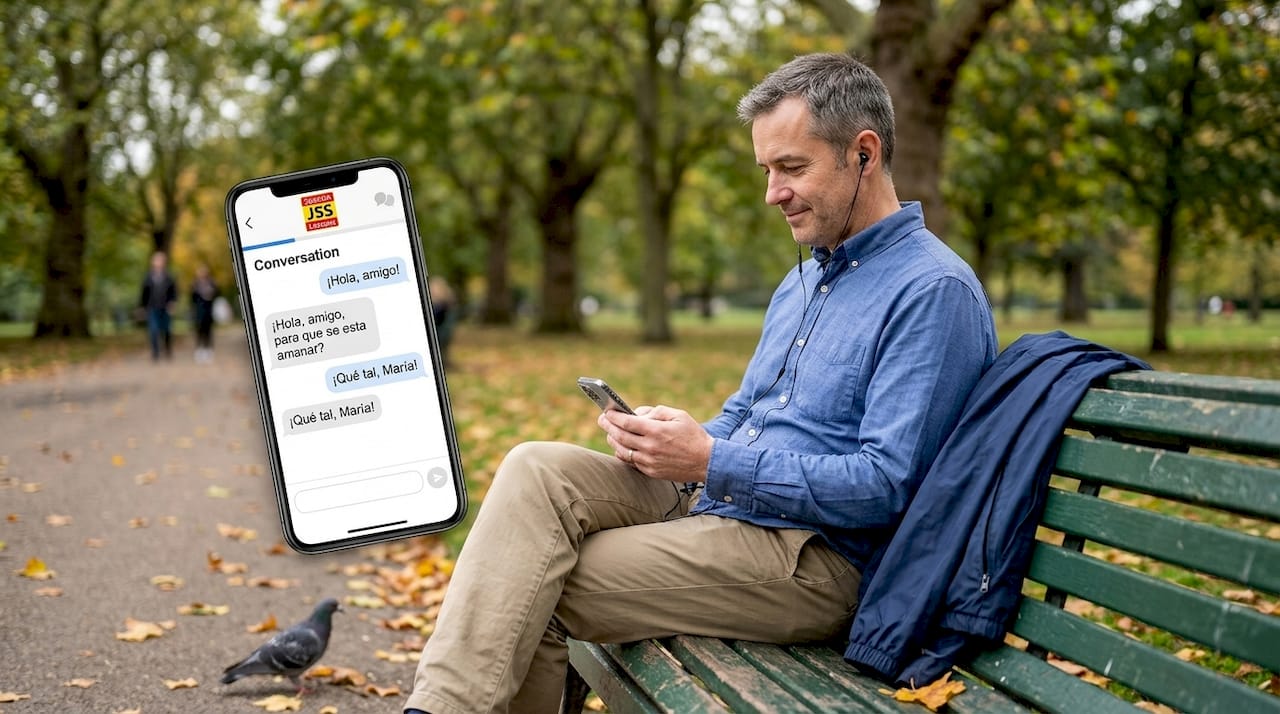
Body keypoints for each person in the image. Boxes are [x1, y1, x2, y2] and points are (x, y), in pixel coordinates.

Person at [404, 53, 997, 714]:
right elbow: (749, 410)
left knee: (527, 582)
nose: (773, 192)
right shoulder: (803, 280)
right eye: (767, 170)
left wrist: (713, 460)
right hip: (724, 510)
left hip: (816, 561)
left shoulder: (931, 292)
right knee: (535, 469)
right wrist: (678, 440)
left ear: (863, 153)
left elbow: (888, 487)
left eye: (792, 168)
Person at [139, 250, 177, 362]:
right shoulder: (148, 277)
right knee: (153, 330)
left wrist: (172, 303)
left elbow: (173, 292)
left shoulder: (169, 276)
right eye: (156, 260)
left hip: (166, 308)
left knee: (167, 330)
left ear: (164, 262)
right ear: (152, 262)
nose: (158, 262)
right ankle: (155, 353)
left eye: (160, 260)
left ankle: (167, 350)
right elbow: (144, 294)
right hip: (152, 307)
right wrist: (142, 307)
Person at [190, 263, 220, 363]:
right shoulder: (195, 284)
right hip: (198, 311)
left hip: (208, 311)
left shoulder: (212, 283)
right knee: (199, 331)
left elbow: (217, 293)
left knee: (208, 331)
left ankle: (208, 350)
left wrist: (211, 294)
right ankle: (199, 350)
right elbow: (192, 298)